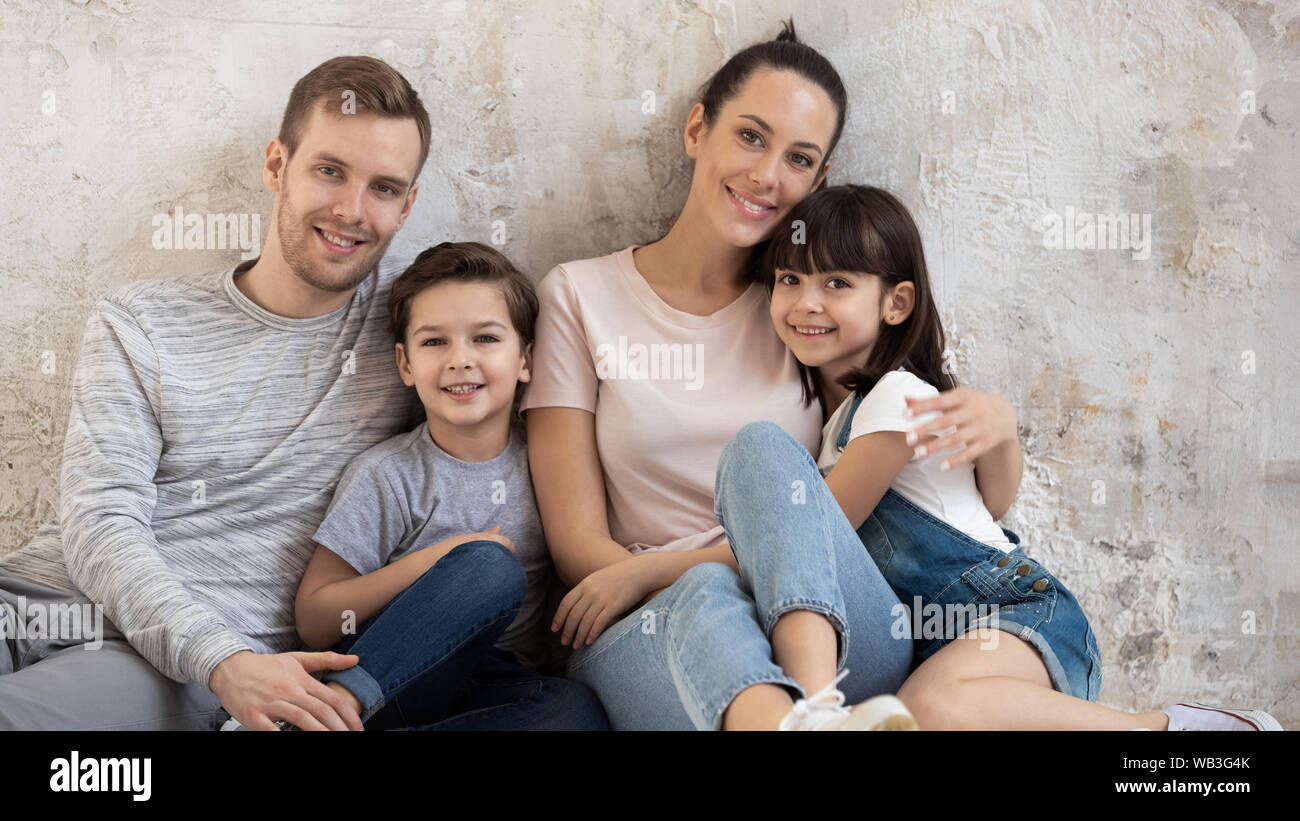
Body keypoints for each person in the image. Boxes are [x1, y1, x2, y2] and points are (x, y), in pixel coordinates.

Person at [523, 21, 1023, 730]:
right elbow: (579, 548)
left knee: (761, 452)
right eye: (751, 136)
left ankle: (808, 711)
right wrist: (690, 579)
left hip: (835, 629)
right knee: (703, 594)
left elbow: (919, 466)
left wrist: (999, 427)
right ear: (698, 128)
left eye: (799, 158)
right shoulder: (577, 296)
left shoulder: (803, 314)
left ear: (817, 182)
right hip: (655, 630)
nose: (767, 176)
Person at [746, 181, 1282, 731]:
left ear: (896, 302)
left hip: (1018, 617)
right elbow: (987, 502)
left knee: (926, 709)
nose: (806, 301)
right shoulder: (832, 431)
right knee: (913, 716)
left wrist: (659, 567)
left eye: (836, 282)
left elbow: (810, 538)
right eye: (789, 279)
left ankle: (1175, 731)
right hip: (935, 646)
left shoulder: (894, 397)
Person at [1, 56, 434, 730]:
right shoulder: (140, 319)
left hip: (170, 666)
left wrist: (221, 658)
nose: (351, 210)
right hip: (29, 593)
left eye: (383, 187)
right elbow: (100, 520)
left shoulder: (422, 328)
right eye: (329, 170)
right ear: (275, 166)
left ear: (407, 205)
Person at [289, 242, 607, 730]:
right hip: (390, 680)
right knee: (488, 567)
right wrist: (444, 559)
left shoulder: (551, 463)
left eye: (485, 338)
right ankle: (331, 714)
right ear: (406, 364)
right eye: (434, 342)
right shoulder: (389, 474)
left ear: (526, 359)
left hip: (493, 686)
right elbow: (314, 618)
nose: (460, 360)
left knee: (575, 712)